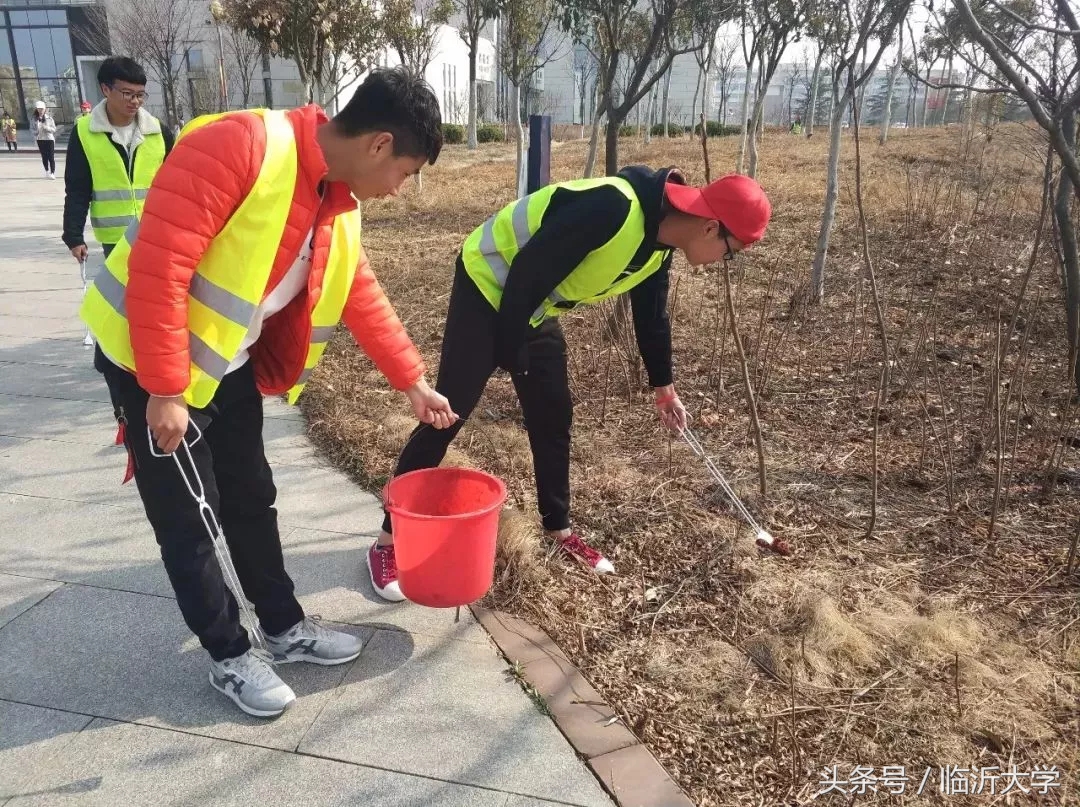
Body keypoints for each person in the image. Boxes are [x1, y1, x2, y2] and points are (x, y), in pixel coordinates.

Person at [79, 67, 457, 719]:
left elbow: (358, 292)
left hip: (226, 361)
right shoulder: (241, 144)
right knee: (189, 518)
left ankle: (283, 628)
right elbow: (160, 265)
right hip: (147, 360)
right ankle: (230, 655)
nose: (399, 188)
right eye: (406, 170)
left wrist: (413, 382)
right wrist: (165, 389)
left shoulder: (335, 199)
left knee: (251, 495)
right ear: (378, 143)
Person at [369, 168, 771, 600]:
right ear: (710, 227)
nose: (723, 263)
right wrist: (512, 353)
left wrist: (664, 388)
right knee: (448, 413)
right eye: (730, 252)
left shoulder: (659, 248)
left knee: (553, 414)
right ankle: (386, 543)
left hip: (532, 303)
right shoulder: (614, 207)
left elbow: (652, 318)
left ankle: (558, 530)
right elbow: (525, 270)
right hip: (489, 283)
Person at [63, 57, 174, 265]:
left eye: (140, 95)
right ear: (106, 89)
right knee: (120, 296)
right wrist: (73, 236)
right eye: (127, 94)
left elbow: (179, 184)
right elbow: (77, 189)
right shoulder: (84, 132)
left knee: (155, 295)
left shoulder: (158, 131)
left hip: (157, 234)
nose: (135, 101)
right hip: (115, 239)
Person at [30, 101, 56, 178]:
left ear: (45, 109)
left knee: (51, 156)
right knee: (44, 156)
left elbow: (54, 129)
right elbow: (31, 129)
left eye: (42, 109)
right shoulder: (34, 119)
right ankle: (47, 171)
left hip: (49, 139)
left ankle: (52, 173)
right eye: (39, 109)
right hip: (40, 139)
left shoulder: (49, 118)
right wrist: (36, 132)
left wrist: (47, 128)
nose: (40, 110)